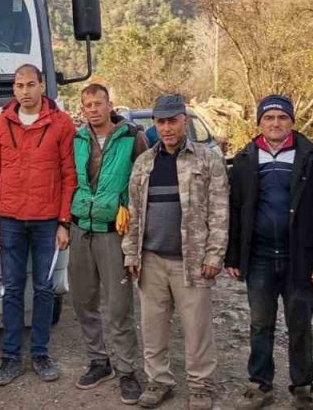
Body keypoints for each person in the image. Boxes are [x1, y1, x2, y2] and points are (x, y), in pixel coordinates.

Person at [225, 95, 313, 410]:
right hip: (259, 256)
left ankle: (302, 386)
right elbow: (236, 210)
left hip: (299, 257)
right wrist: (232, 256)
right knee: (260, 323)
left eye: (282, 118)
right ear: (259, 122)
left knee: (299, 324)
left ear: (292, 122)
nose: (275, 123)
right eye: (269, 117)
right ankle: (260, 383)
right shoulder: (246, 159)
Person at [122, 94, 229, 410]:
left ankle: (200, 387)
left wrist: (214, 255)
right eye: (160, 122)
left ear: (184, 120)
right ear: (154, 124)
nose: (166, 128)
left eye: (172, 121)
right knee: (153, 329)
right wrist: (131, 254)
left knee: (197, 329)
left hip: (191, 261)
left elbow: (220, 211)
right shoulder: (144, 163)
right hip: (151, 260)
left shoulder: (207, 159)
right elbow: (134, 211)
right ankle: (159, 382)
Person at [0, 64, 78, 387]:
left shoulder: (61, 124)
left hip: (47, 221)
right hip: (9, 220)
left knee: (43, 288)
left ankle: (40, 354)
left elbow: (69, 177)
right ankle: (10, 358)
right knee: (11, 289)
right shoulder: (1, 124)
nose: (24, 91)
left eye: (30, 85)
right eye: (19, 85)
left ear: (41, 86)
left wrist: (64, 222)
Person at [68, 84, 146, 404]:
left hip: (114, 231)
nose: (93, 109)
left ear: (110, 104)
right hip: (80, 228)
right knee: (84, 301)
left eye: (98, 103)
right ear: (83, 108)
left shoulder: (132, 138)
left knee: (118, 306)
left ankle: (127, 370)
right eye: (87, 104)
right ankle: (100, 361)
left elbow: (144, 181)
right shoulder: (77, 139)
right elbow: (68, 178)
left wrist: (136, 225)